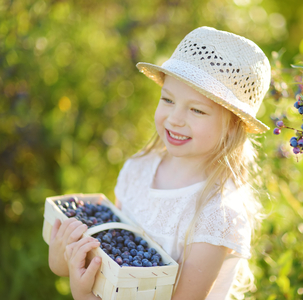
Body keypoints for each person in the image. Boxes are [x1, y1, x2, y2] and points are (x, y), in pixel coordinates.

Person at [48, 26, 271, 300]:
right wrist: (65, 257)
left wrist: (84, 297)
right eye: (168, 99)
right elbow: (113, 253)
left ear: (232, 127)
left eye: (197, 110)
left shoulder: (217, 213)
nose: (175, 118)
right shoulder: (139, 168)